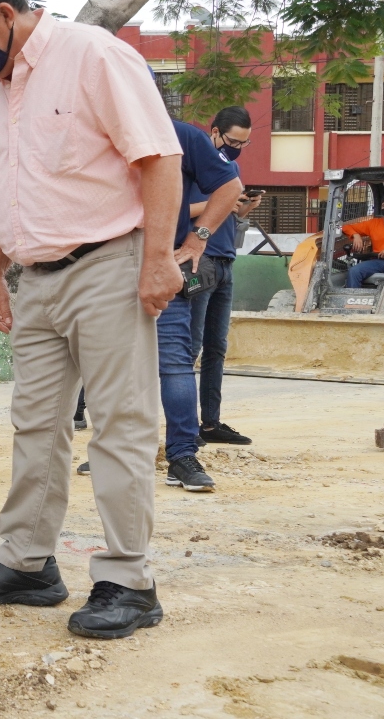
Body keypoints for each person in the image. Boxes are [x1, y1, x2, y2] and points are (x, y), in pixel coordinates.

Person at [0, 0, 184, 639]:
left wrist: (158, 259)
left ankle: (129, 579)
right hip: (34, 281)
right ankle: (27, 561)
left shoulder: (93, 56)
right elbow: (13, 190)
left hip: (109, 265)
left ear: (4, 16)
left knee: (120, 424)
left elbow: (159, 159)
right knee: (35, 425)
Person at [154, 120, 243, 492]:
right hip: (107, 267)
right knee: (114, 368)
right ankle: (117, 450)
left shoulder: (180, 135)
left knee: (175, 362)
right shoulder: (96, 131)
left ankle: (182, 455)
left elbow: (230, 186)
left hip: (165, 267)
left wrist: (197, 238)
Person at [188, 107, 261, 447]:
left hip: (226, 261)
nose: (237, 148)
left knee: (217, 348)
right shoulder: (196, 160)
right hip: (199, 263)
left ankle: (210, 423)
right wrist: (221, 201)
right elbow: (179, 210)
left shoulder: (231, 167)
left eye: (244, 143)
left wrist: (241, 208)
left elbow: (229, 216)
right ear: (214, 130)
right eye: (233, 141)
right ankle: (184, 427)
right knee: (189, 348)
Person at [343, 190, 384, 288]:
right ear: (381, 208)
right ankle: (351, 301)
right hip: (377, 261)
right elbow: (345, 227)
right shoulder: (374, 223)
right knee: (354, 271)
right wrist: (355, 235)